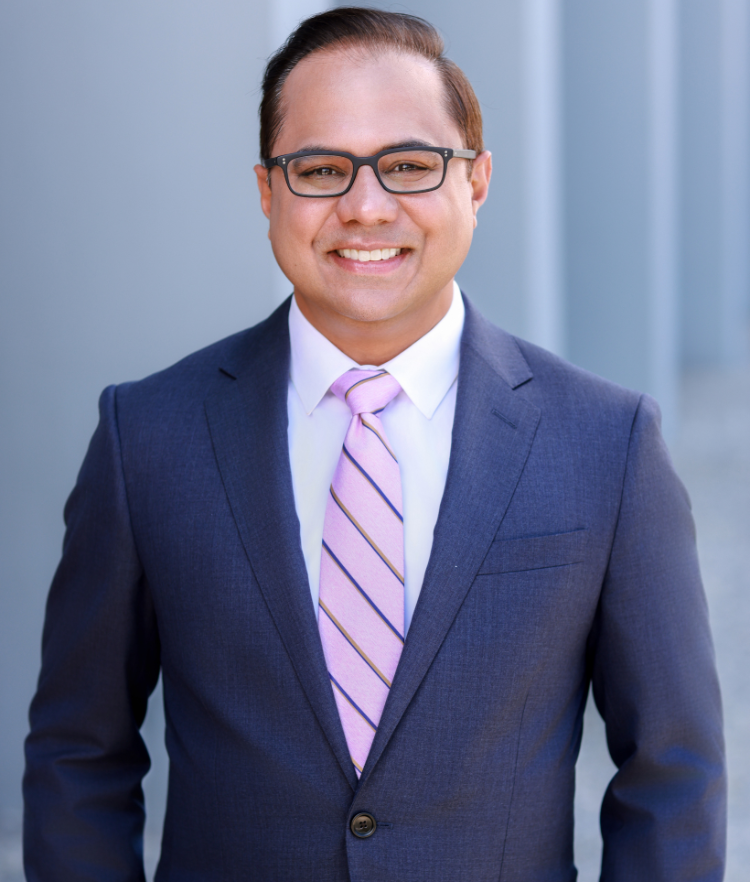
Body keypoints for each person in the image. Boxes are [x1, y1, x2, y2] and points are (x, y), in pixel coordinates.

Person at [23, 8, 726, 881]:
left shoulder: (607, 446)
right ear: (267, 191)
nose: (364, 207)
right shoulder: (148, 438)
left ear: (477, 182)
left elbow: (672, 776)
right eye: (321, 169)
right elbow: (78, 752)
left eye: (409, 165)